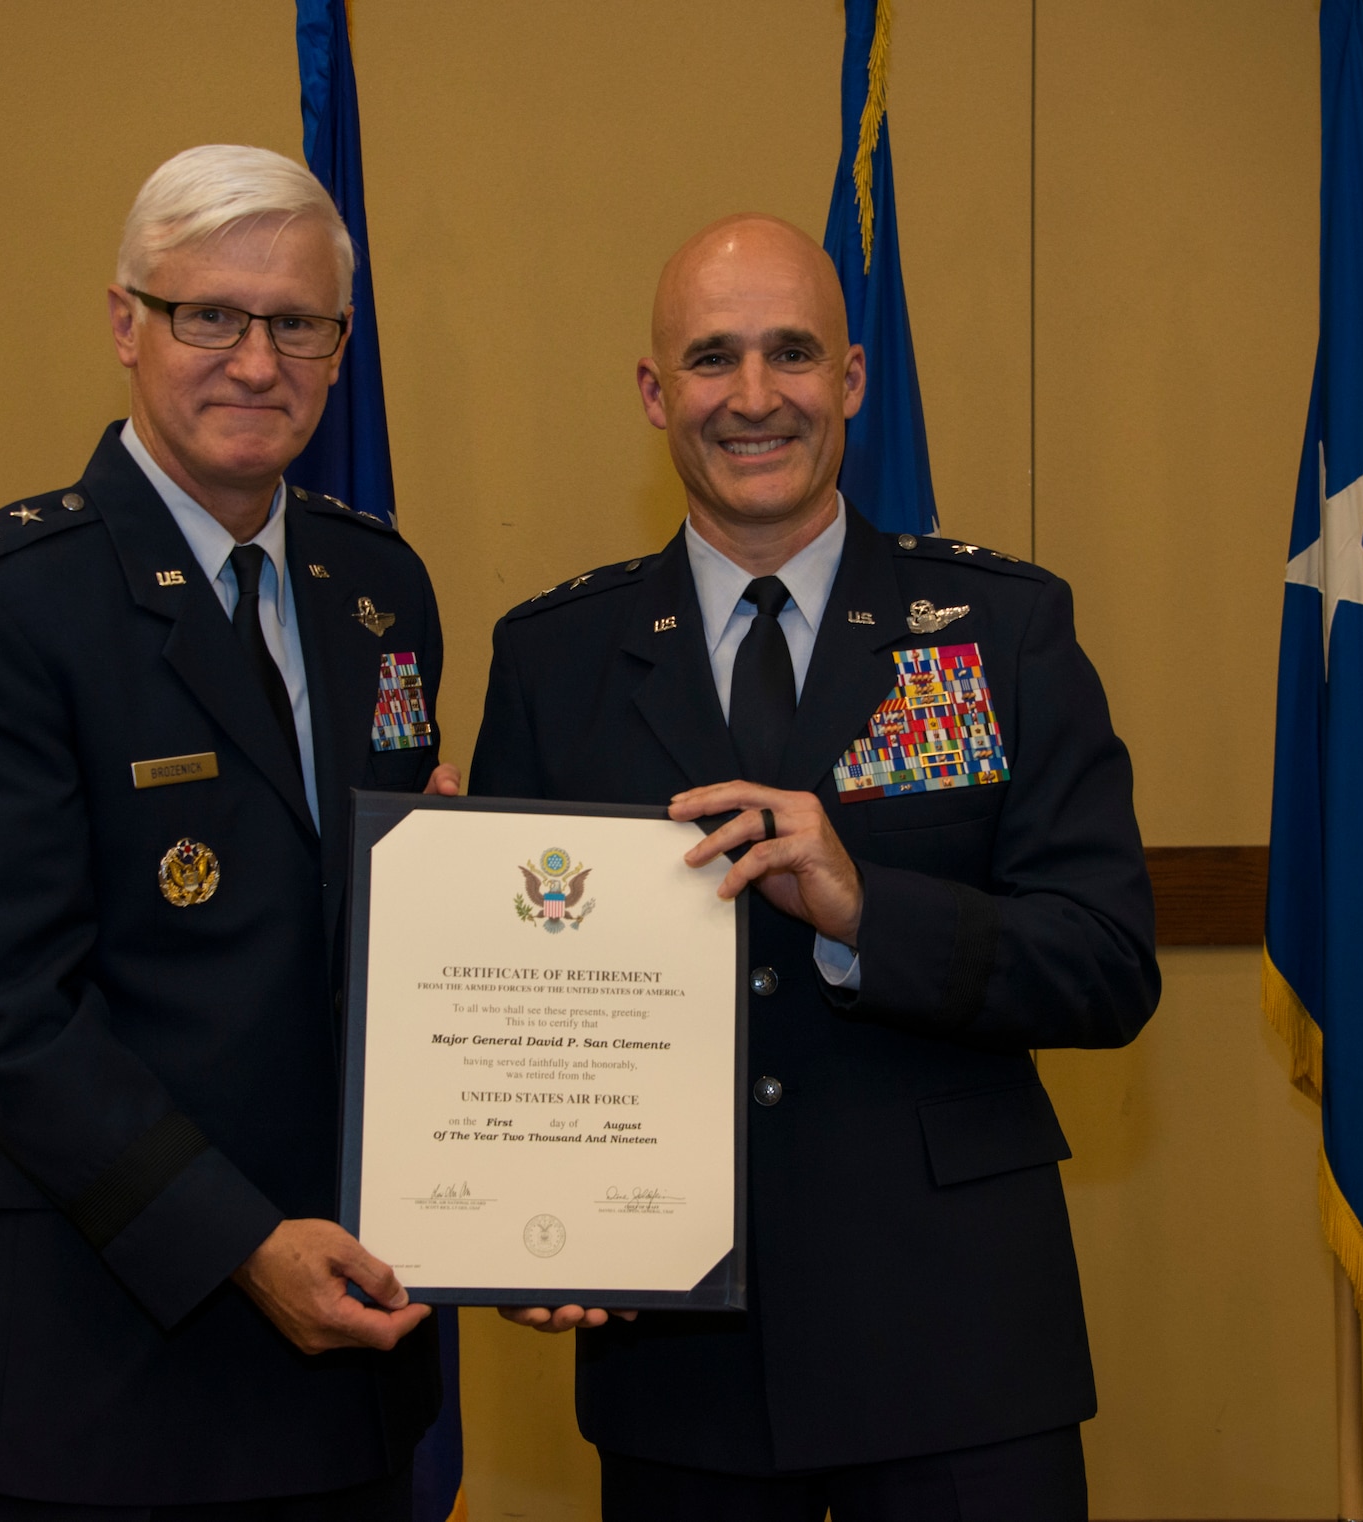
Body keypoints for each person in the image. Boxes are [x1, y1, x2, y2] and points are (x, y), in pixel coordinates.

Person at [469, 214, 1161, 1521]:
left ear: (849, 378)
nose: (753, 397)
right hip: (681, 1356)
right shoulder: (553, 661)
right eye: (712, 356)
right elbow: (516, 1002)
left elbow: (1110, 964)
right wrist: (520, 1222)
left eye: (792, 354)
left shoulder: (1001, 630)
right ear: (653, 391)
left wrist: (862, 910)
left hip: (959, 1352)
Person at [0, 145, 455, 1521]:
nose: (256, 360)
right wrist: (241, 1241)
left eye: (296, 323)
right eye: (210, 315)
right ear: (126, 324)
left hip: (349, 1382)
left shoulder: (380, 587)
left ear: (338, 346)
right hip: (103, 1380)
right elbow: (4, 1009)